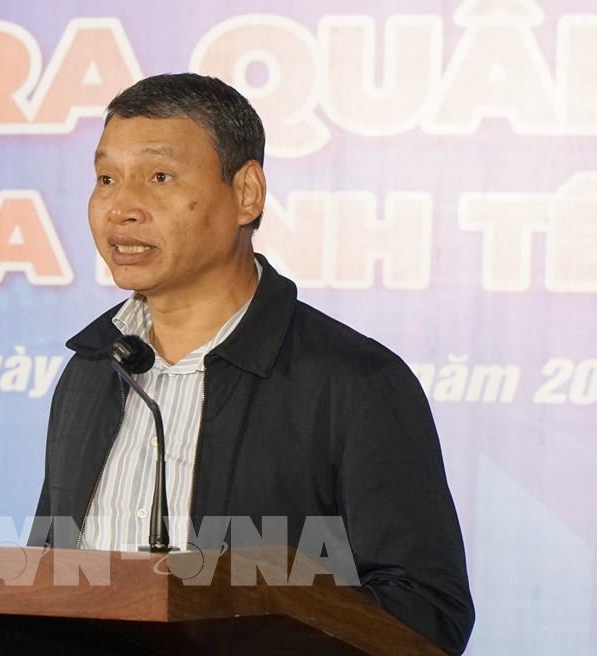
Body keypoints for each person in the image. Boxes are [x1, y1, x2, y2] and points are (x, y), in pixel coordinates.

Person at [29, 73, 474, 654]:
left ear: (246, 193)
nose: (122, 208)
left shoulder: (353, 382)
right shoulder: (96, 367)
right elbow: (47, 579)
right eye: (106, 179)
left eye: (159, 177)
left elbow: (426, 614)